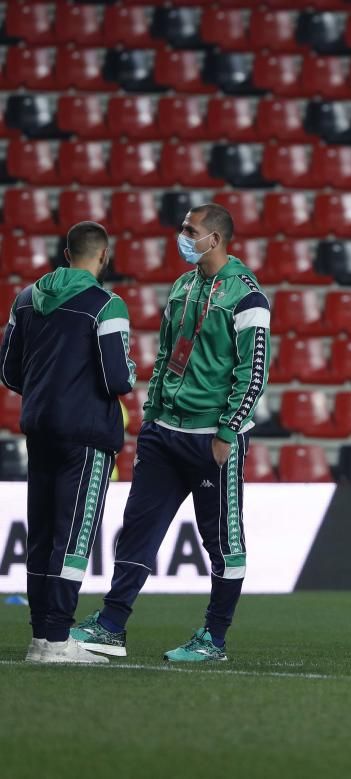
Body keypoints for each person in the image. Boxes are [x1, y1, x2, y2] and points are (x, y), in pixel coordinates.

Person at [71, 204, 271, 662]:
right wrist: (152, 413)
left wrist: (227, 433)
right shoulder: (183, 285)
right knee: (137, 530)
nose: (181, 236)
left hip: (211, 437)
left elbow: (254, 373)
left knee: (223, 543)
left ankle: (214, 639)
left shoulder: (247, 297)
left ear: (214, 239)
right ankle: (110, 625)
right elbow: (166, 354)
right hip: (163, 432)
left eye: (189, 229)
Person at [1, 221, 134, 664]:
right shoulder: (107, 305)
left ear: (65, 255)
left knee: (41, 535)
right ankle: (58, 639)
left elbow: (9, 372)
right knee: (72, 537)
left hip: (39, 429)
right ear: (104, 256)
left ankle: (41, 637)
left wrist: (48, 389)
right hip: (86, 435)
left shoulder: (25, 299)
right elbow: (118, 379)